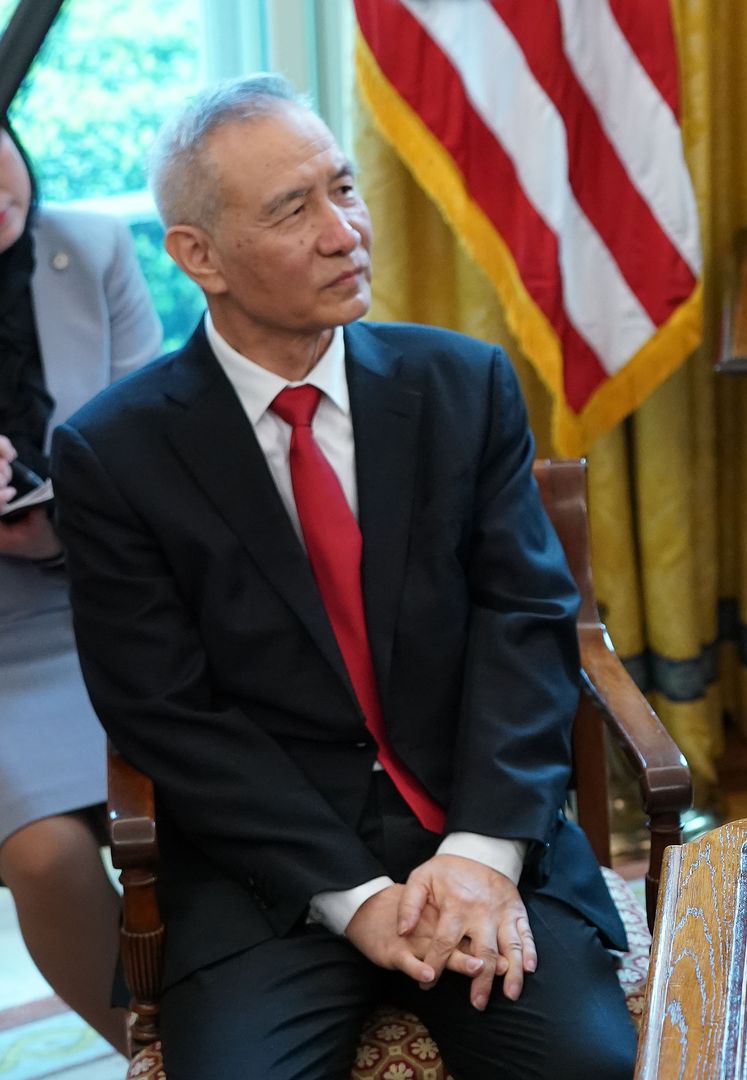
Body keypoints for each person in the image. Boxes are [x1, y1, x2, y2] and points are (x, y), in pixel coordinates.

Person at [50, 76, 634, 1079]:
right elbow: (165, 710)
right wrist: (355, 898)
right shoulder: (113, 454)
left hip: (478, 832)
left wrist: (482, 854)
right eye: (294, 209)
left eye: (344, 188)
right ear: (197, 255)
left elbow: (525, 623)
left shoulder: (464, 386)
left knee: (581, 1065)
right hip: (267, 873)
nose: (344, 232)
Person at [0, 118, 161, 1053]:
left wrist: (52, 533)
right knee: (45, 852)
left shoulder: (91, 247)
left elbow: (143, 448)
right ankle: (153, 1055)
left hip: (114, 597)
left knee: (208, 800)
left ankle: (236, 1021)